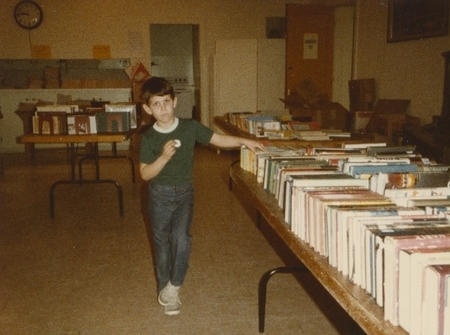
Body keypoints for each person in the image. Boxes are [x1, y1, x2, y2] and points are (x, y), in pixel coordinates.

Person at [139, 76, 266, 316]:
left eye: (166, 102)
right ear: (147, 108)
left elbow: (217, 139)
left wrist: (244, 141)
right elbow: (145, 174)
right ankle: (163, 288)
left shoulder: (189, 127)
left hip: (184, 192)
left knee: (182, 238)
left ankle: (174, 288)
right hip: (159, 196)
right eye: (156, 104)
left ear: (175, 101)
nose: (163, 109)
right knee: (162, 245)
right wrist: (164, 158)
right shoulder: (149, 138)